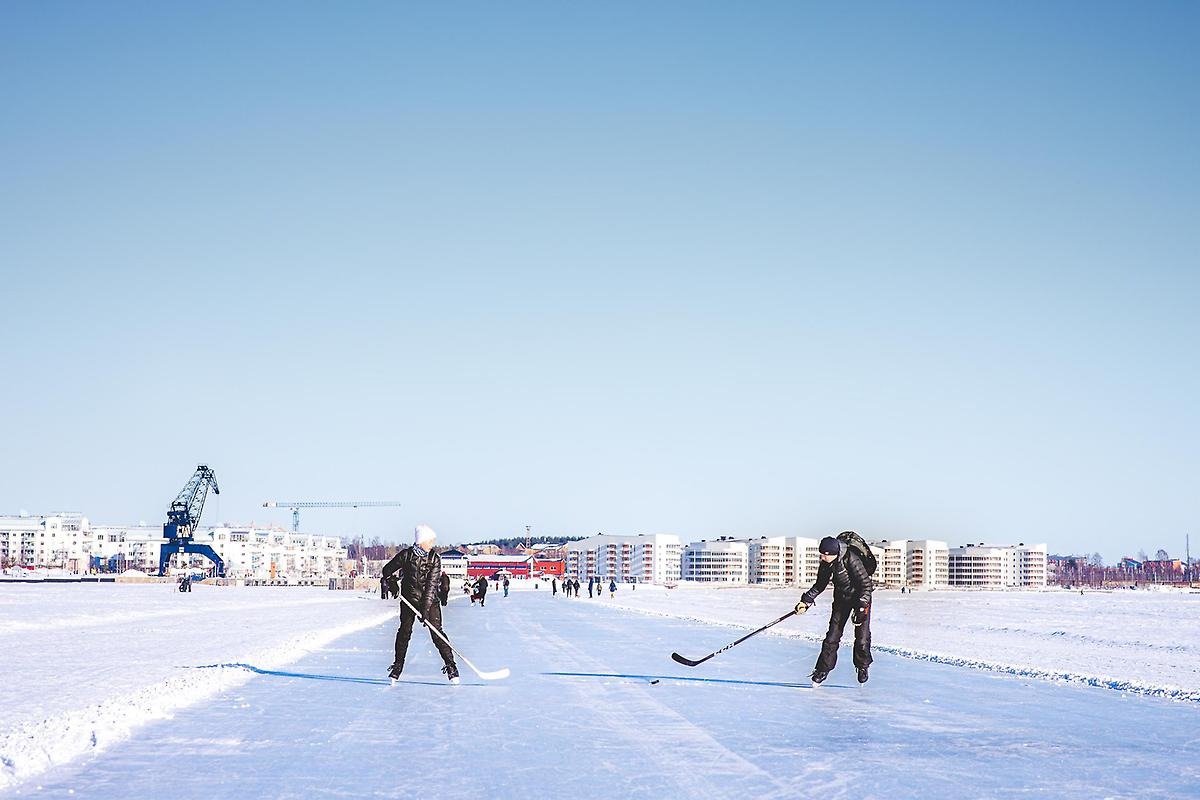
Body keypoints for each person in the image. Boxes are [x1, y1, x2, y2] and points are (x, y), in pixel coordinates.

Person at [380, 525, 459, 683]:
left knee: (437, 633)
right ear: (421, 541)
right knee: (404, 632)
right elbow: (386, 570)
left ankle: (451, 666)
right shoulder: (406, 555)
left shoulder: (434, 558)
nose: (432, 543)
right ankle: (397, 666)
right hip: (409, 600)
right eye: (430, 540)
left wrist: (425, 609)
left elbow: (431, 586)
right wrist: (392, 582)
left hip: (430, 601)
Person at [796, 534, 873, 684]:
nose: (822, 558)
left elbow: (866, 585)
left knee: (862, 637)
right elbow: (820, 584)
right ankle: (822, 670)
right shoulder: (826, 564)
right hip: (841, 600)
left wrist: (863, 607)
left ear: (832, 553)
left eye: (824, 555)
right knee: (832, 636)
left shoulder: (852, 559)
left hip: (860, 600)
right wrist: (806, 601)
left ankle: (862, 666)